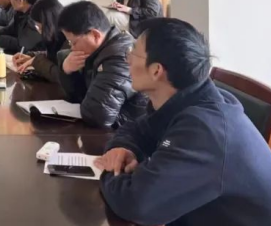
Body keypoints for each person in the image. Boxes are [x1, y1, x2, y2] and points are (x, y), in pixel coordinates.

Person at [96, 18, 271, 226]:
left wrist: (110, 170)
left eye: (133, 51)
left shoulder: (205, 128)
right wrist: (123, 149)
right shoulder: (186, 99)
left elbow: (137, 204)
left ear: (156, 70)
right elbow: (135, 129)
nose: (128, 60)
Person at [57, 1, 147, 128]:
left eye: (74, 42)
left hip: (133, 132)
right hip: (115, 130)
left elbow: (98, 115)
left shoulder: (122, 56)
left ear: (95, 35)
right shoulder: (98, 52)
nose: (72, 48)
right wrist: (67, 70)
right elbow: (80, 97)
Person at [12, 0, 68, 83]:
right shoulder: (57, 37)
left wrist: (37, 61)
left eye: (40, 27)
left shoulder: (69, 40)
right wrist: (32, 56)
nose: (39, 31)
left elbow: (61, 77)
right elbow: (53, 55)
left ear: (49, 24)